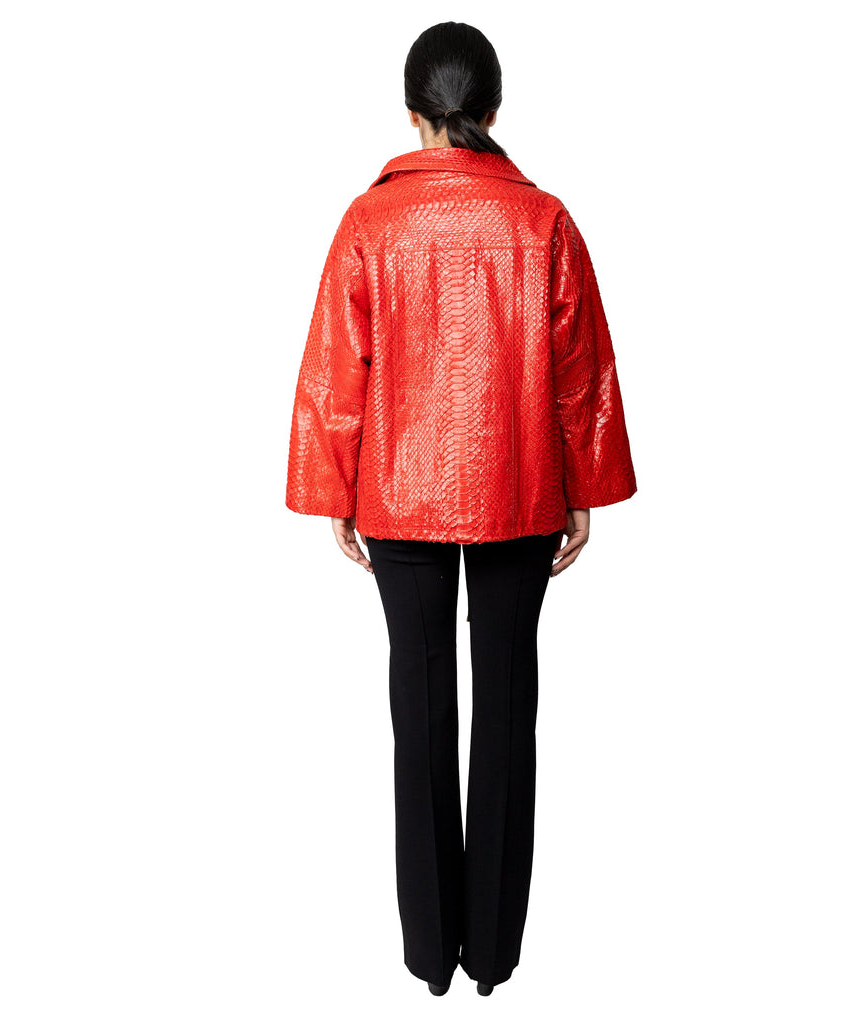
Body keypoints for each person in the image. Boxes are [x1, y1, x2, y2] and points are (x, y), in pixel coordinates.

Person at [285, 21, 637, 998]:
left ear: (412, 114)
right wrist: (583, 490)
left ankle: (428, 952)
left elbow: (336, 369)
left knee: (420, 710)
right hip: (521, 485)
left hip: (397, 492)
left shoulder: (370, 221)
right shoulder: (544, 221)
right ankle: (492, 953)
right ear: (493, 107)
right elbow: (582, 371)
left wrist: (335, 488)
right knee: (509, 709)